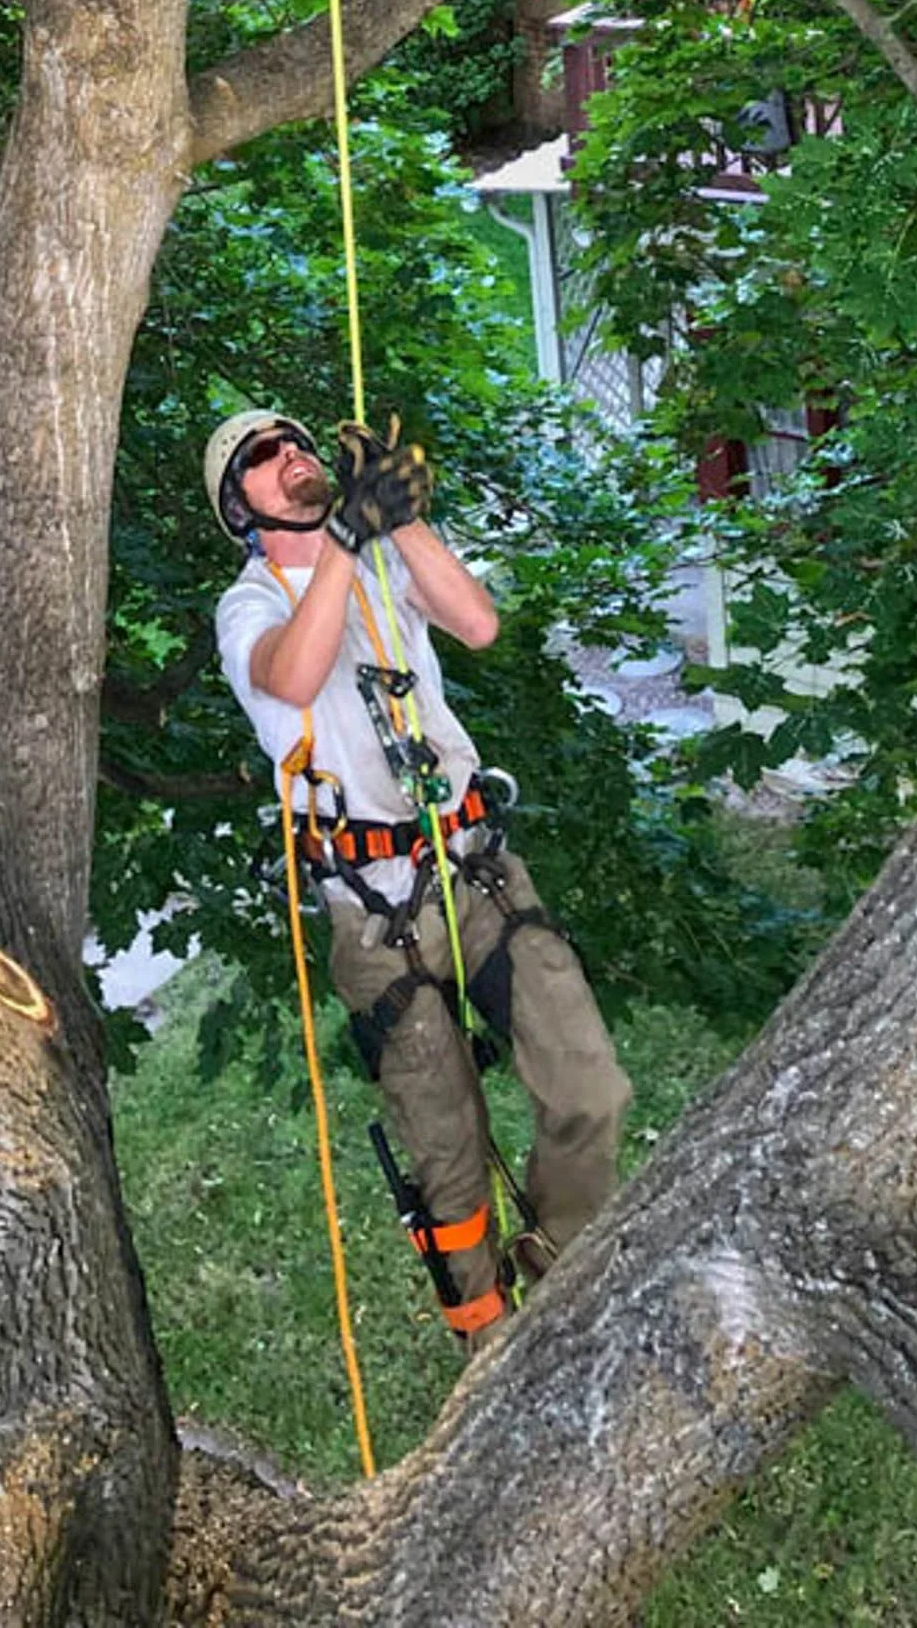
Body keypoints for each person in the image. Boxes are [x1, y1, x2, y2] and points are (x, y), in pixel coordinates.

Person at [206, 406, 631, 1348]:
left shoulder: (382, 559)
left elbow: (477, 622)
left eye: (298, 444)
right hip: (371, 908)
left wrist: (396, 515)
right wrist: (346, 542)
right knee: (445, 1151)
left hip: (473, 871)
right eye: (264, 459)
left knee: (590, 1084)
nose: (293, 458)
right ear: (241, 506)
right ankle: (491, 1345)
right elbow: (293, 673)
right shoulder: (253, 603)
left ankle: (566, 1265)